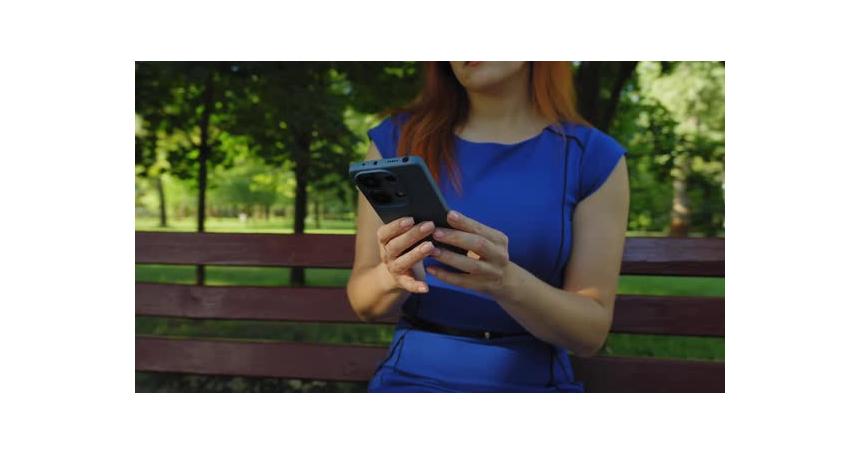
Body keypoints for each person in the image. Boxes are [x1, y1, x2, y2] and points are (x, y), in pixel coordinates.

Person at [346, 61, 629, 392]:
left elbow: (590, 334)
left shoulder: (592, 157)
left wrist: (507, 283)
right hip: (410, 380)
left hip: (531, 385)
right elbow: (363, 302)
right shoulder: (397, 138)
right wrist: (391, 276)